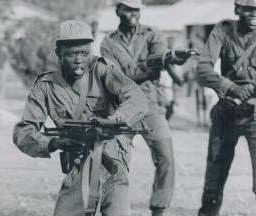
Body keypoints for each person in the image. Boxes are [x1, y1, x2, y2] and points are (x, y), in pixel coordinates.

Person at [13, 20, 149, 216]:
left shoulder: (102, 70)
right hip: (79, 164)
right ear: (58, 54)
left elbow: (136, 98)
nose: (79, 60)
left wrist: (116, 119)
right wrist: (55, 142)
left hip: (113, 162)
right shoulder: (46, 85)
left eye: (84, 53)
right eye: (71, 54)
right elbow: (23, 133)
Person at [100, 0, 188, 215]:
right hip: (123, 108)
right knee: (113, 159)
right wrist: (146, 71)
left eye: (137, 10)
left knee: (166, 158)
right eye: (128, 9)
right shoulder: (108, 43)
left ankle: (159, 209)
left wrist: (169, 58)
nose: (134, 14)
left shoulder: (152, 34)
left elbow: (159, 57)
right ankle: (112, 208)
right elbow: (115, 79)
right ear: (118, 10)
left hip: (150, 106)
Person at [196, 0, 256, 215]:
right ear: (237, 9)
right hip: (227, 110)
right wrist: (231, 88)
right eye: (249, 8)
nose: (254, 13)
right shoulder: (223, 29)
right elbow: (202, 68)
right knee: (213, 181)